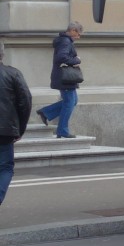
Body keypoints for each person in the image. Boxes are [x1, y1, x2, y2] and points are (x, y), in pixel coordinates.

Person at [0, 41, 34, 207]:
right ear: (2, 54)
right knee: (5, 167)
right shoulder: (13, 74)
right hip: (5, 128)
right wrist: (20, 128)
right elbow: (25, 101)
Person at [37, 20, 83, 139]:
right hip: (65, 78)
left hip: (65, 77)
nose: (79, 36)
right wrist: (76, 60)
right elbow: (61, 58)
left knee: (73, 101)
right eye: (78, 33)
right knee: (69, 102)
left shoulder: (64, 41)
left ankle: (46, 112)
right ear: (72, 31)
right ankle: (62, 130)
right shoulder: (65, 42)